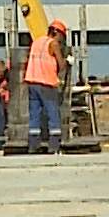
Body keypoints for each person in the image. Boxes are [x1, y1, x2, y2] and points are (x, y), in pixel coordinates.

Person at [25, 19, 69, 154]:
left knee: (34, 114)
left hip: (32, 81)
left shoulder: (36, 42)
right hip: (46, 83)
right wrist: (67, 62)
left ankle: (33, 145)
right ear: (57, 33)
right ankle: (54, 145)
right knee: (53, 113)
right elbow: (61, 65)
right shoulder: (53, 43)